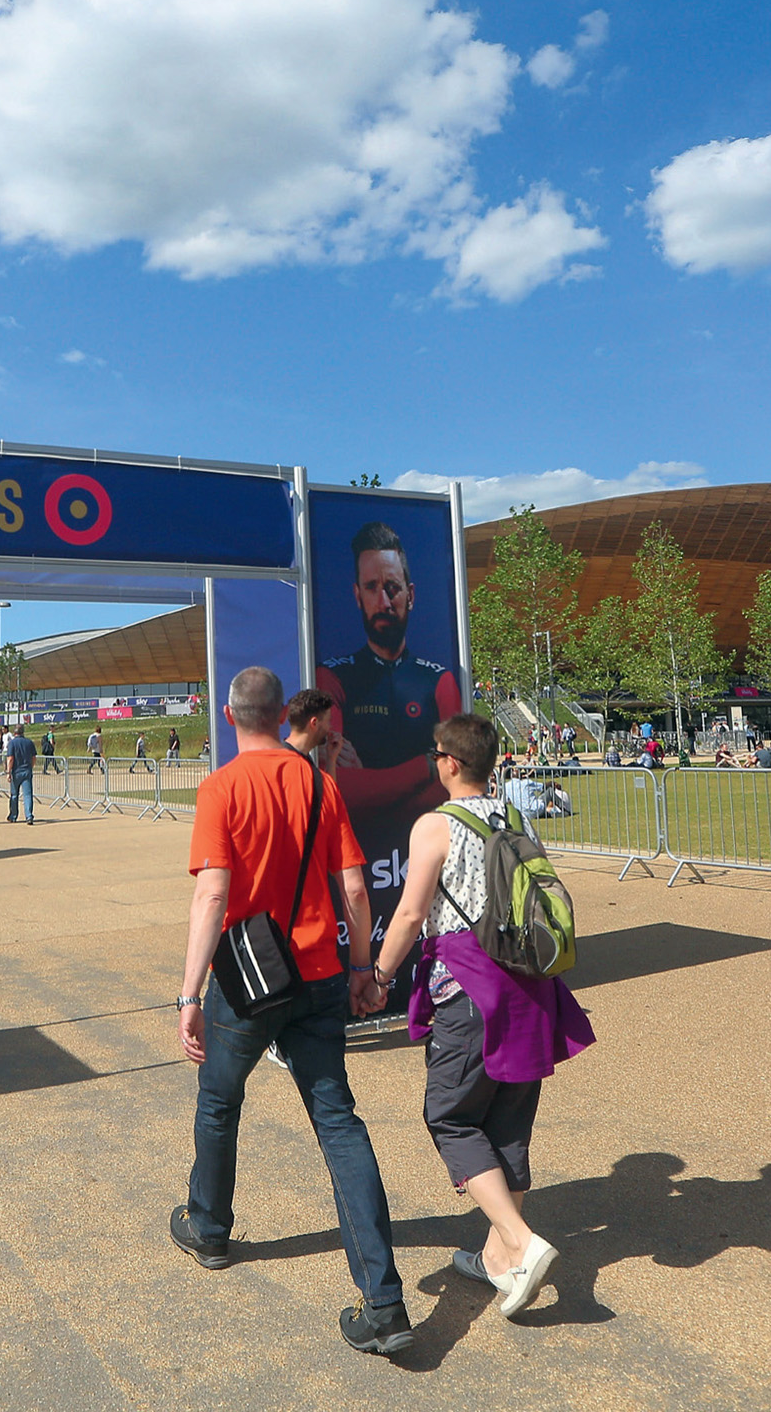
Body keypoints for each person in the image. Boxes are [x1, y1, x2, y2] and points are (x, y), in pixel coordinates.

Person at [169, 667, 413, 1356]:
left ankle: (210, 1228)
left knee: (219, 1101)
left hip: (247, 981)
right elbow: (356, 889)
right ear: (282, 715)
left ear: (226, 714)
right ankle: (384, 1301)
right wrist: (365, 970)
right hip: (321, 977)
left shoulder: (220, 788)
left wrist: (189, 994)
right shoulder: (318, 783)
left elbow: (211, 899)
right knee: (337, 1120)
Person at [370, 712, 595, 1320]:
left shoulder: (434, 826)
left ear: (447, 760)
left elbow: (413, 914)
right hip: (530, 985)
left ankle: (520, 1244)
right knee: (510, 1120)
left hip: (471, 988)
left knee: (450, 1115)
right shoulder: (517, 817)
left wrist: (380, 977)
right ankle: (499, 1258)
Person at [315, 522, 461, 826]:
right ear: (357, 595)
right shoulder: (332, 679)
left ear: (410, 595)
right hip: (362, 858)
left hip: (427, 853)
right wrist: (428, 766)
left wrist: (371, 780)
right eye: (371, 587)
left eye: (392, 588)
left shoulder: (439, 682)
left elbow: (458, 781)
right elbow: (340, 788)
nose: (383, 602)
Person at [5, 722, 38, 824]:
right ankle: (29, 816)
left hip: (16, 772)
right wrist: (30, 767)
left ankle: (13, 816)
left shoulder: (12, 743)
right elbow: (33, 758)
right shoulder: (29, 742)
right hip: (27, 770)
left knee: (14, 795)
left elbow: (10, 759)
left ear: (14, 732)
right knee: (27, 795)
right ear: (23, 732)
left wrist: (8, 772)